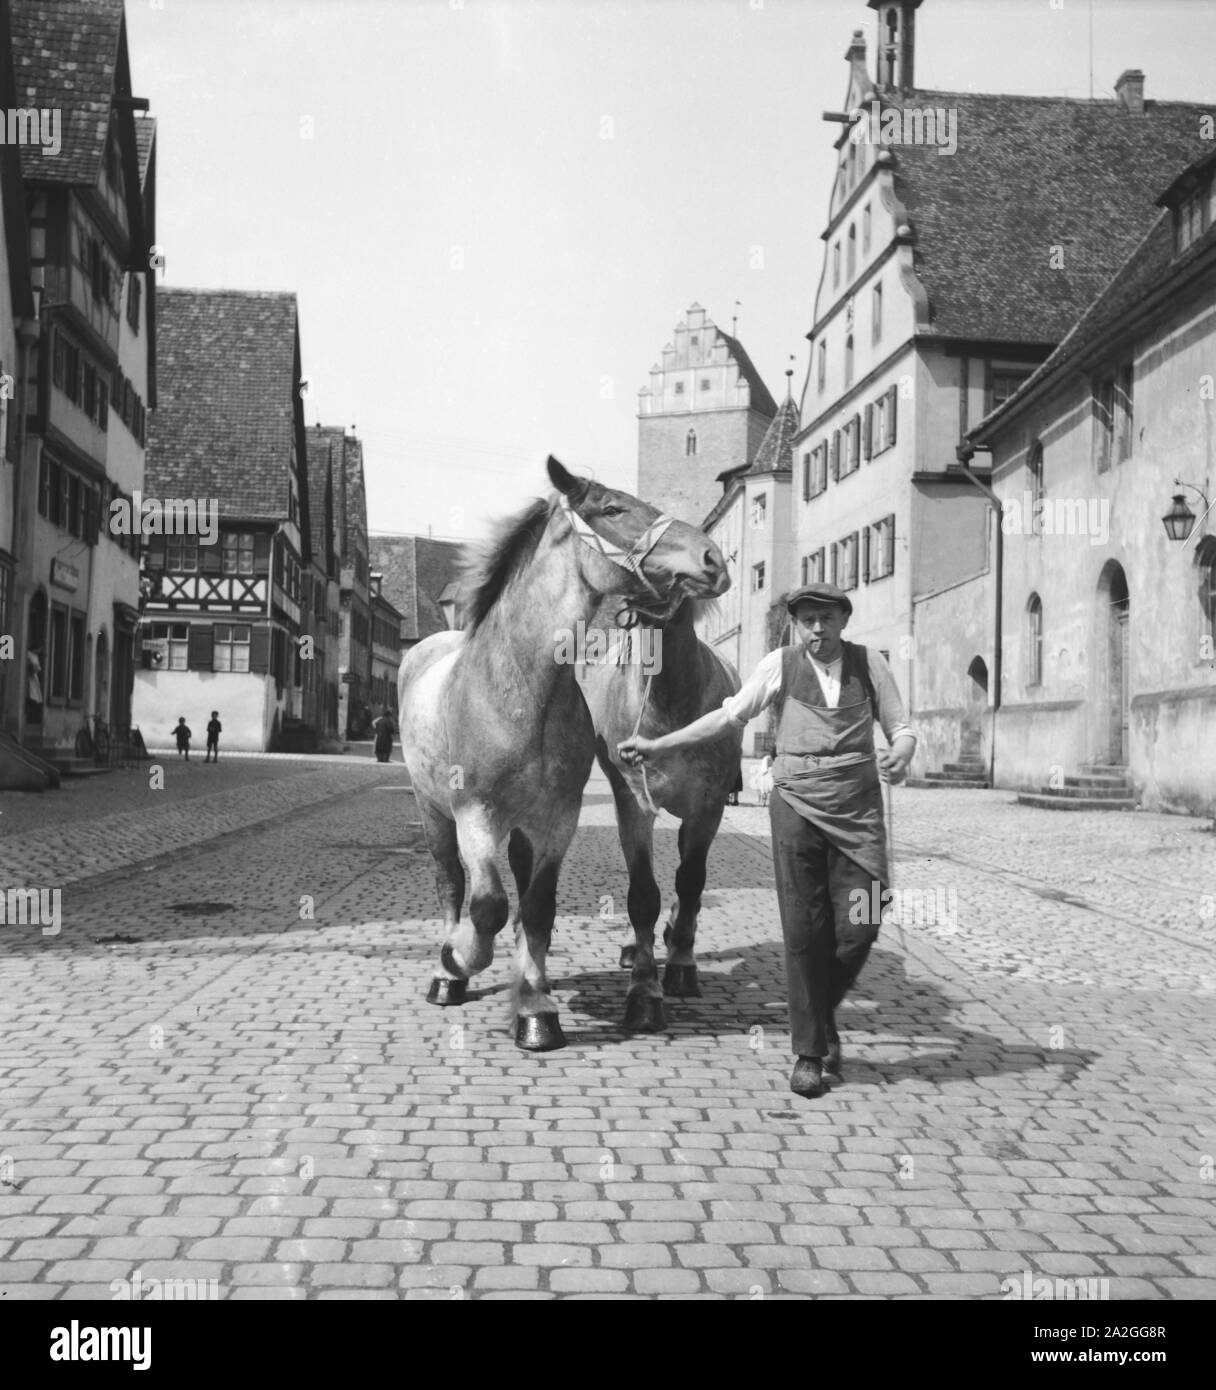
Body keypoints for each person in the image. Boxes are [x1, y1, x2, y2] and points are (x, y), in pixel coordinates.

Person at [619, 582, 916, 1100]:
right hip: (796, 808)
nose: (816, 629)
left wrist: (903, 752)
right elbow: (728, 716)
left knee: (863, 923)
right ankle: (809, 1053)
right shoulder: (780, 664)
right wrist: (658, 743)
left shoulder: (871, 665)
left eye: (825, 618)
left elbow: (902, 726)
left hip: (858, 811)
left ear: (844, 620)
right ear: (796, 625)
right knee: (805, 931)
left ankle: (819, 1020)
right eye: (806, 620)